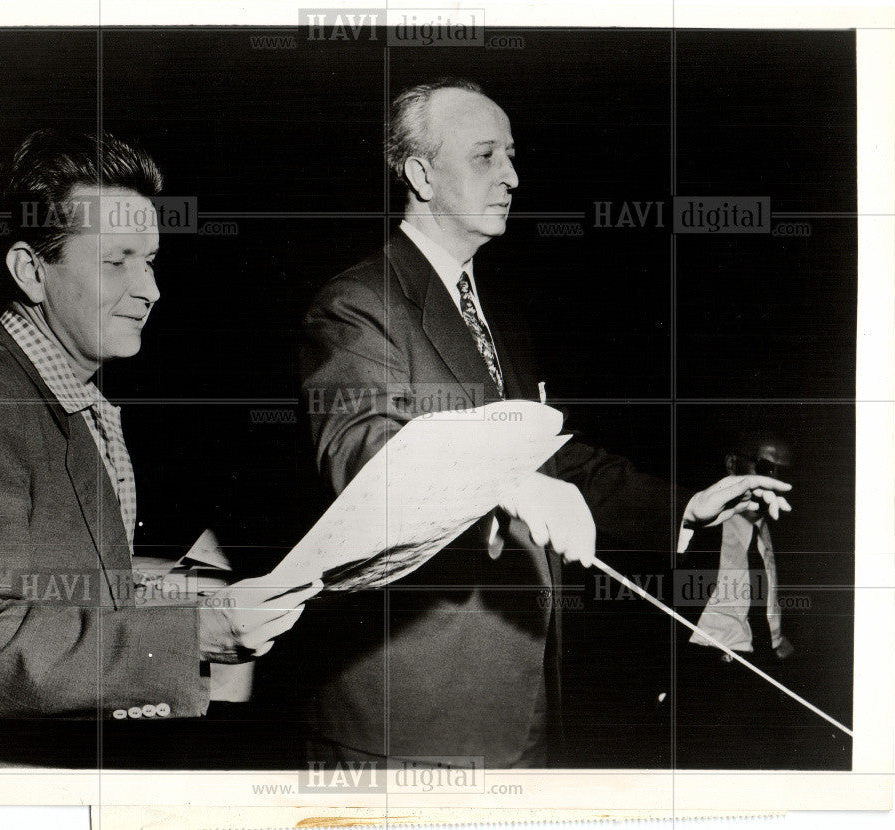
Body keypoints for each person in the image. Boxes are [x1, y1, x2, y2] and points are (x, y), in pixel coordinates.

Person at [299, 78, 792, 768]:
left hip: (522, 701)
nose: (513, 176)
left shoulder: (497, 314)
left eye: (512, 155)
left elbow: (556, 461)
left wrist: (684, 505)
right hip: (412, 725)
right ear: (419, 174)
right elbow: (366, 453)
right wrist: (511, 485)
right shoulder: (359, 302)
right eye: (485, 156)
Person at [0, 129, 319, 767]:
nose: (150, 290)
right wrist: (196, 633)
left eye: (150, 260)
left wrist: (193, 596)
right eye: (116, 261)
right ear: (31, 271)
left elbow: (67, 592)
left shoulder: (70, 399)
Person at [688, 433, 796, 661]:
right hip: (706, 658)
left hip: (764, 658)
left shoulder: (785, 527)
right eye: (765, 467)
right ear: (732, 464)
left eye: (783, 472)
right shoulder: (700, 525)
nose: (774, 479)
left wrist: (778, 637)